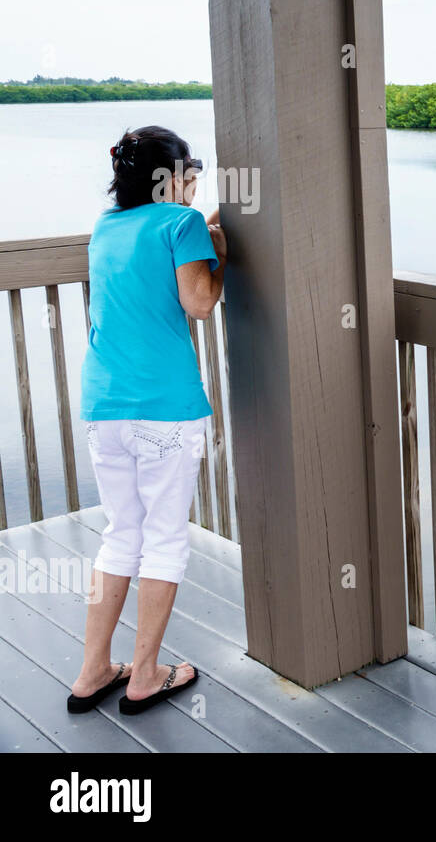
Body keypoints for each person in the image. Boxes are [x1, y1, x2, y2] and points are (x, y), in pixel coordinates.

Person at [66, 125, 227, 716]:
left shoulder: (104, 229)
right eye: (190, 171)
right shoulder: (182, 225)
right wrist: (221, 254)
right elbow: (200, 303)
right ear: (172, 176)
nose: (193, 181)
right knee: (162, 540)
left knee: (120, 535)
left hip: (103, 405)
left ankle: (92, 673)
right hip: (164, 409)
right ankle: (145, 676)